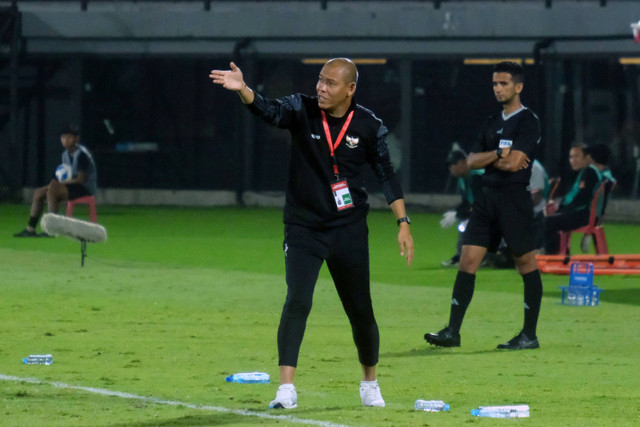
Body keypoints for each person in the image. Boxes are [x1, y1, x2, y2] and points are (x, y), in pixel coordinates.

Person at [209, 58, 414, 409]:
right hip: (304, 227)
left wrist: (403, 222)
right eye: (320, 80)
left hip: (348, 229)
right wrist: (243, 90)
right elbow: (269, 111)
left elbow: (386, 175)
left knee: (360, 309)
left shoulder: (368, 125)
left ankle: (370, 383)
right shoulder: (301, 108)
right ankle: (286, 389)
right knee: (298, 300)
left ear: (350, 89)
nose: (321, 87)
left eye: (331, 83)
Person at [424, 61, 544, 350]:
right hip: (487, 198)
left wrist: (493, 158)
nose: (498, 88)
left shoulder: (528, 121)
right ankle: (452, 332)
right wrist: (498, 154)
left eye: (504, 83)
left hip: (514, 199)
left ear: (519, 86)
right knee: (467, 260)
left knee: (525, 263)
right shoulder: (492, 121)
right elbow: (471, 161)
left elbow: (515, 163)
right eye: (494, 84)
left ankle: (529, 335)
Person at [14, 125, 97, 237]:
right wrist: (55, 183)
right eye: (63, 137)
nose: (65, 140)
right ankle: (30, 229)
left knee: (52, 189)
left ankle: (51, 229)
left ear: (76, 139)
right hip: (72, 186)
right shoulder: (65, 155)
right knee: (39, 192)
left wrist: (59, 184)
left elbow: (81, 179)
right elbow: (59, 175)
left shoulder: (82, 154)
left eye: (69, 137)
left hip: (85, 188)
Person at [542, 143, 602, 254]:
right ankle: (552, 254)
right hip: (581, 214)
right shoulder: (585, 172)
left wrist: (562, 212)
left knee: (547, 222)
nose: (572, 160)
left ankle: (551, 257)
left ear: (587, 157)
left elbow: (582, 198)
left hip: (582, 215)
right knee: (545, 221)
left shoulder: (589, 173)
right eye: (571, 157)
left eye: (576, 156)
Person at [440, 149, 484, 267]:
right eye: (450, 165)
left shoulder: (477, 176)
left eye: (455, 163)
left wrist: (458, 214)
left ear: (465, 162)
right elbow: (467, 202)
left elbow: (480, 204)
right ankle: (461, 255)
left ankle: (477, 256)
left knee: (471, 223)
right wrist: (457, 212)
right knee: (464, 222)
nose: (452, 167)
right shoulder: (463, 179)